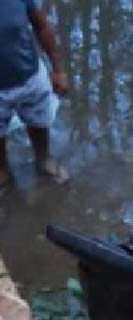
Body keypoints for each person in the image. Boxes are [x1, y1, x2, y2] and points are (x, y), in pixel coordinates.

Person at [0, 0, 69, 193]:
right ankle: (2, 171)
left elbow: (43, 27)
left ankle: (44, 159)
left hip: (29, 75)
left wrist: (58, 70)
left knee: (39, 121)